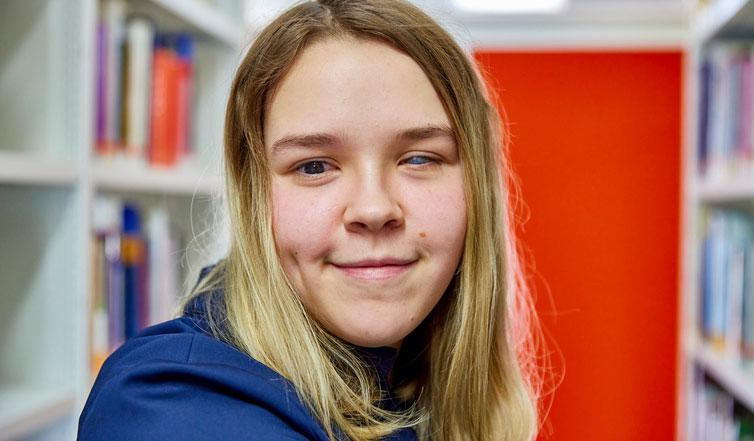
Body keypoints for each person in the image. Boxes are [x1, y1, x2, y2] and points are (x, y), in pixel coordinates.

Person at [78, 1, 545, 440]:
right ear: (254, 193)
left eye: (419, 158)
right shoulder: (171, 406)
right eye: (314, 166)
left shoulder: (409, 374)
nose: (374, 208)